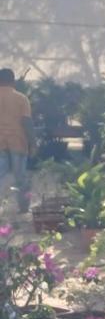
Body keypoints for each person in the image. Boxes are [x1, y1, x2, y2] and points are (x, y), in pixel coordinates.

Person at [0, 69, 33, 215]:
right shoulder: (21, 98)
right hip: (18, 142)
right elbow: (27, 122)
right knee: (20, 178)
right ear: (13, 81)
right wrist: (33, 143)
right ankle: (23, 208)